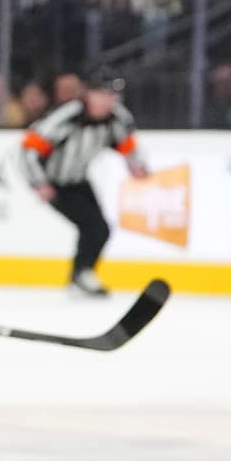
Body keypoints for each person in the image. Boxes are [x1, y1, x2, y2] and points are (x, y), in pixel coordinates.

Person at [20, 66, 148, 298]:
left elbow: (127, 143)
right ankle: (81, 275)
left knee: (99, 229)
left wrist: (135, 165)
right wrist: (39, 183)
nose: (107, 101)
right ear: (87, 93)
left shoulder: (118, 117)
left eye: (112, 95)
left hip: (78, 180)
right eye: (101, 94)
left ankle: (80, 274)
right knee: (94, 227)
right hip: (54, 182)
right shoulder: (67, 116)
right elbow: (29, 148)